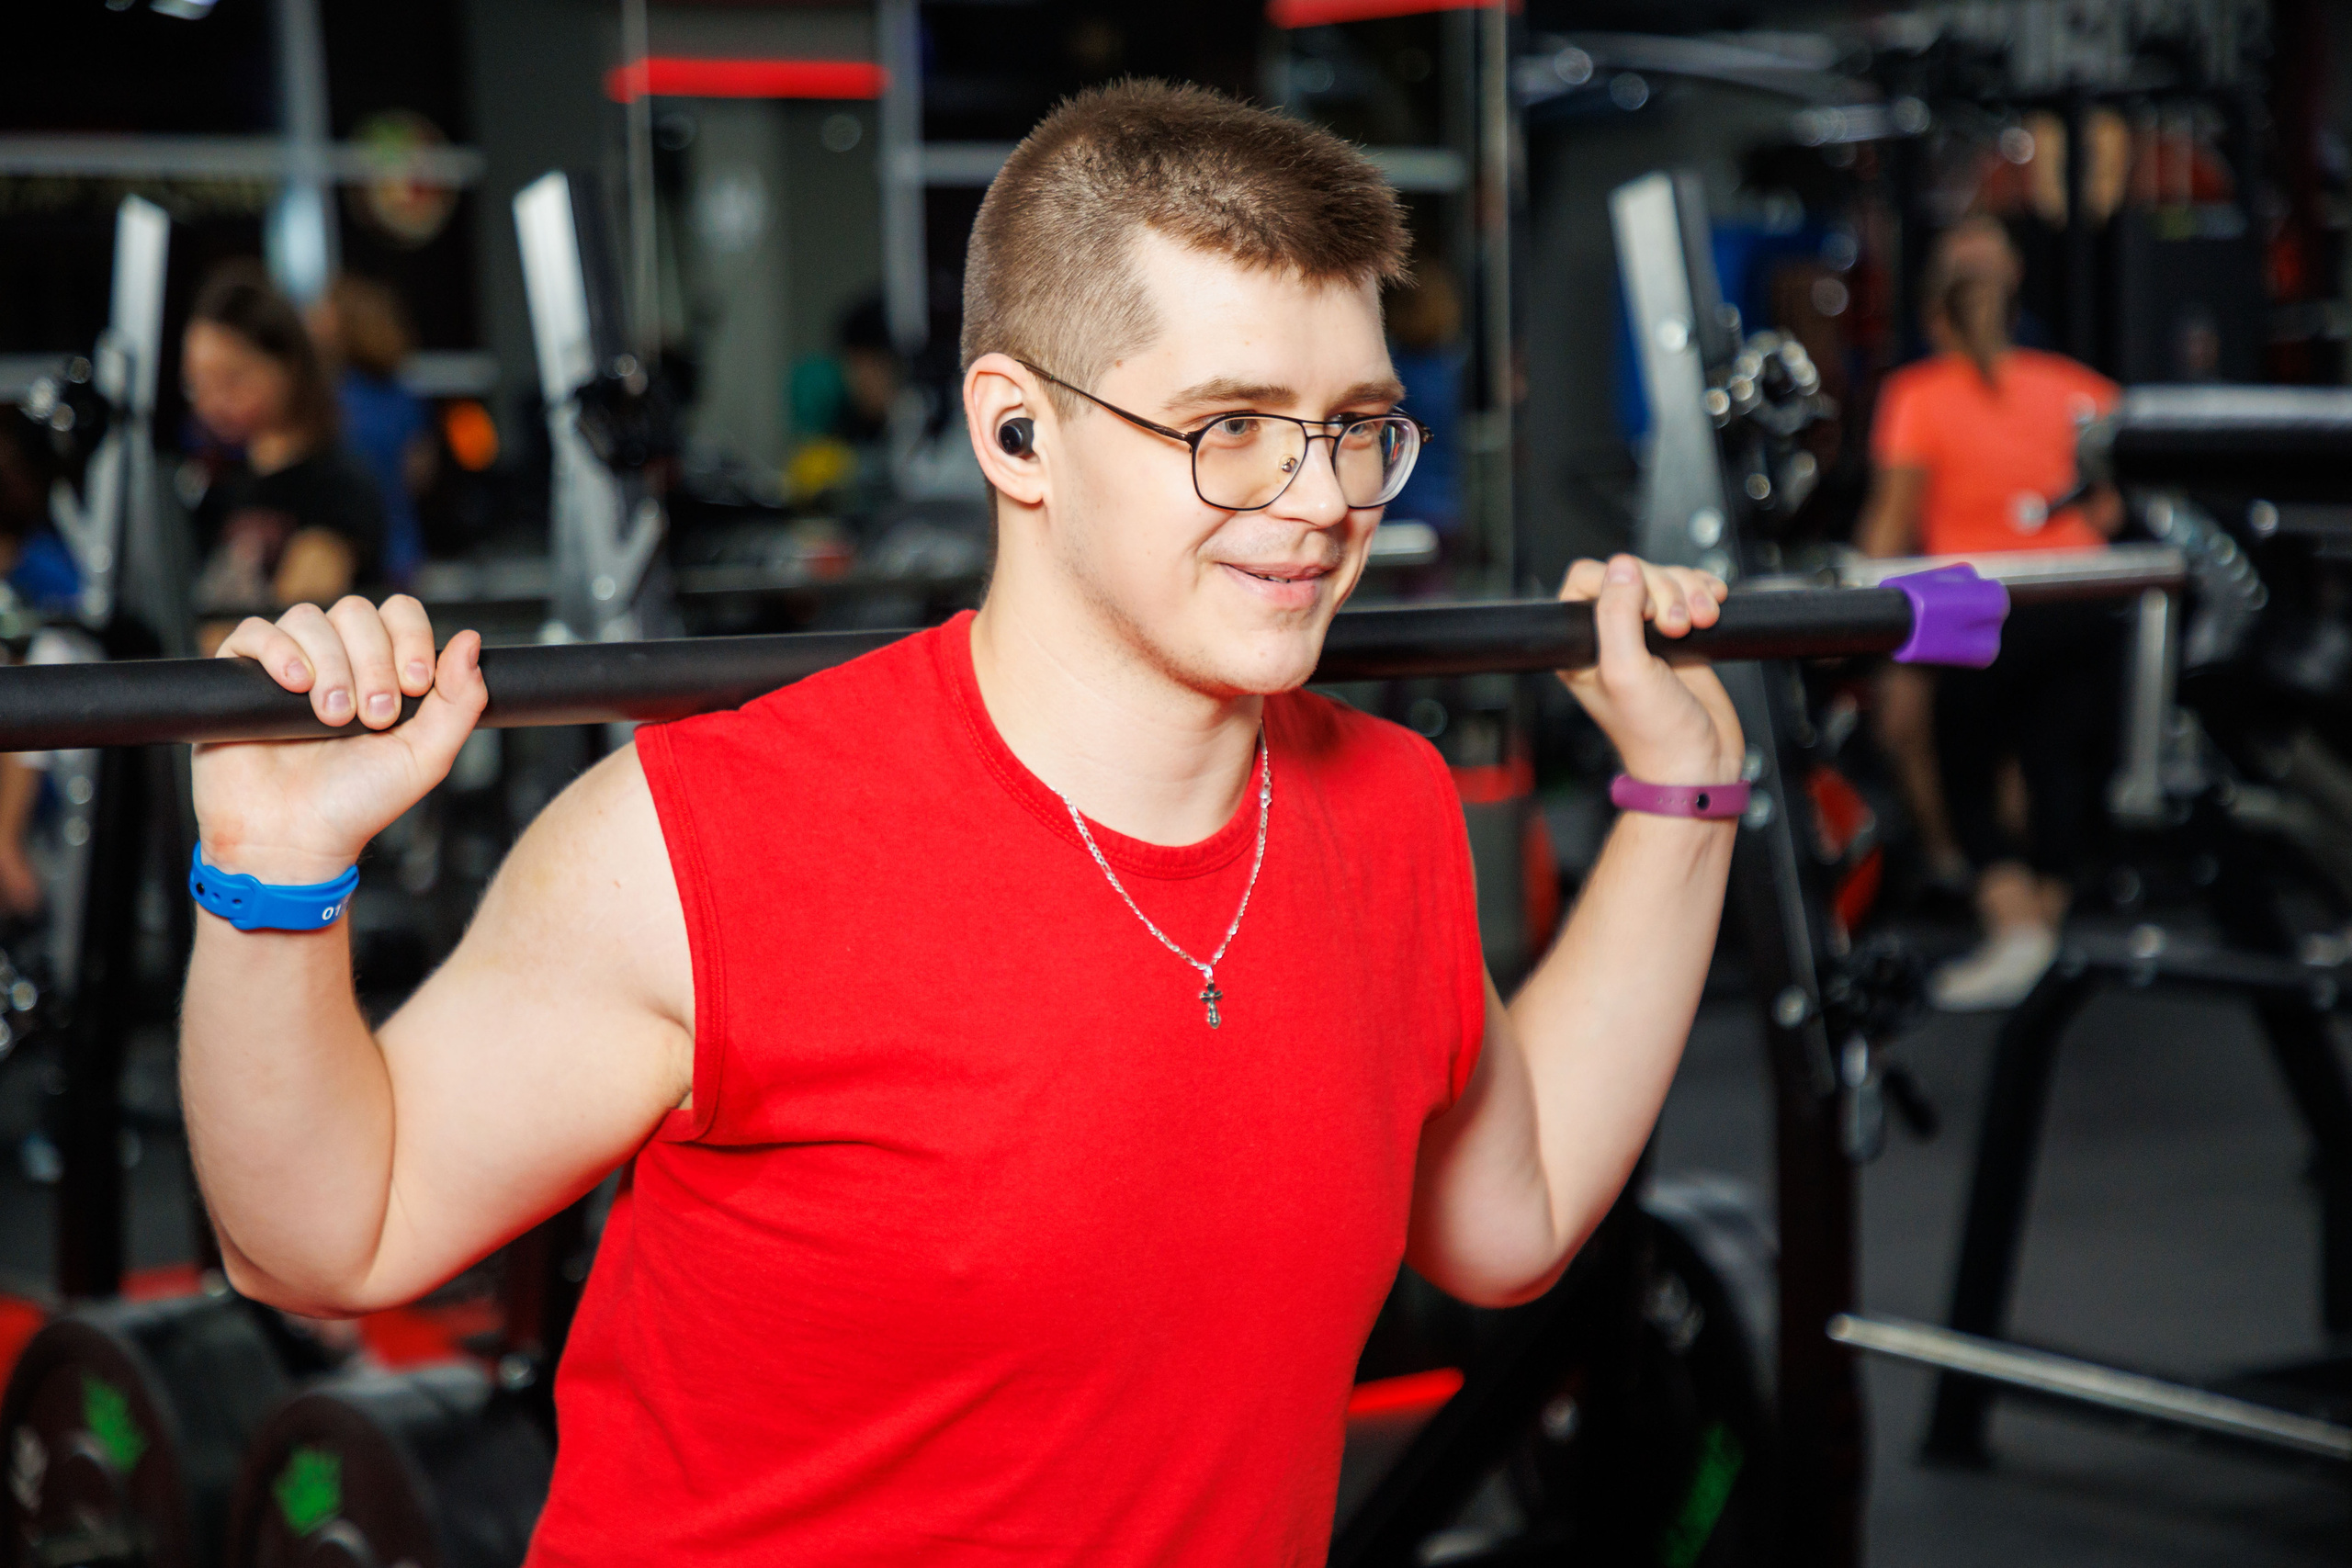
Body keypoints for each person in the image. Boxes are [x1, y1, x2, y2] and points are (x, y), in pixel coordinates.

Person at [181, 83, 1743, 1565]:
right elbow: (331, 1239)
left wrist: (1685, 796)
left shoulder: (1385, 807)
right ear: (1015, 434)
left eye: (1355, 425)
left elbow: (1506, 1211)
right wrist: (272, 871)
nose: (1324, 498)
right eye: (1232, 427)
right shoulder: (699, 842)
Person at [1857, 214, 2123, 1010]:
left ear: (1936, 313)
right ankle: (2041, 927)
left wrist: (1861, 613)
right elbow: (2113, 501)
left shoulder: (1916, 394)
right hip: (2079, 595)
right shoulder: (2078, 385)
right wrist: (2057, 534)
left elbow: (1890, 519)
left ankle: (2016, 930)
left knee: (1965, 765)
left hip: (1979, 604)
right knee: (2053, 761)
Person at [183, 263, 386, 627]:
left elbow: (301, 614)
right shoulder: (219, 486)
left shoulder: (338, 486)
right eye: (198, 384)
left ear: (288, 366)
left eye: (233, 379)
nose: (212, 401)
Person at [308, 274, 434, 588]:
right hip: (402, 556)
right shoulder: (405, 397)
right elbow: (418, 475)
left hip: (346, 559)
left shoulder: (329, 399)